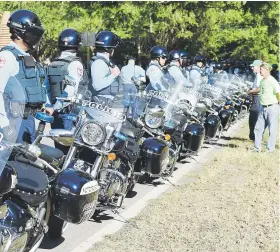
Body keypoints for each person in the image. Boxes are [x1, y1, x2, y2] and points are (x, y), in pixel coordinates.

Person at [0, 9, 47, 144]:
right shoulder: (8, 57)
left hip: (27, 120)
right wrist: (4, 126)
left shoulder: (27, 58)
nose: (37, 38)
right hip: (12, 121)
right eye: (34, 33)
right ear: (19, 34)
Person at [44, 28, 88, 153]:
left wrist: (50, 106)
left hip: (55, 113)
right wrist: (57, 107)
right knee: (72, 152)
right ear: (77, 45)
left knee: (59, 150)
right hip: (71, 114)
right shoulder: (75, 64)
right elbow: (70, 90)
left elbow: (46, 88)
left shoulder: (53, 64)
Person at [252, 62, 280, 153]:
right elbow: (260, 89)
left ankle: (269, 150)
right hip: (263, 108)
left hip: (272, 108)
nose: (260, 71)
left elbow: (278, 93)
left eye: (261, 69)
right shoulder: (263, 81)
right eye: (260, 69)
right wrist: (251, 91)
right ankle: (257, 149)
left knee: (272, 130)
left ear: (267, 70)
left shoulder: (273, 81)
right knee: (258, 129)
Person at [89, 30, 121, 103]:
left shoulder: (105, 62)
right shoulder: (99, 63)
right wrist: (113, 75)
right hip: (99, 104)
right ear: (111, 49)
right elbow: (97, 85)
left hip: (104, 103)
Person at [247, 60, 263, 141]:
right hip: (256, 98)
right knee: (253, 117)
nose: (252, 68)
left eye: (253, 66)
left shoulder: (260, 76)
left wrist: (250, 91)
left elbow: (260, 89)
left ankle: (255, 137)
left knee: (254, 118)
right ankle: (254, 136)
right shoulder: (257, 75)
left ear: (258, 67)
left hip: (258, 98)